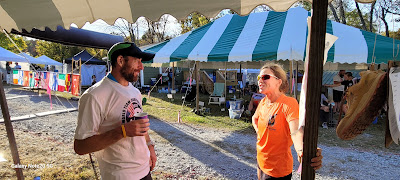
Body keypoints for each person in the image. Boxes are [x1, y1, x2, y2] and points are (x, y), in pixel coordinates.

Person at [74, 42, 157, 180]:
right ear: (120, 60)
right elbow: (80, 146)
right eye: (137, 61)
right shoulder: (94, 95)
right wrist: (122, 131)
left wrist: (150, 147)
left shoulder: (135, 92)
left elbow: (140, 127)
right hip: (119, 175)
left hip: (144, 170)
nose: (141, 67)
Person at [252, 62, 322, 180]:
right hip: (261, 161)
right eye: (259, 77)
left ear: (279, 82)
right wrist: (260, 133)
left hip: (278, 169)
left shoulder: (288, 103)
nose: (260, 80)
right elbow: (255, 118)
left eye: (265, 77)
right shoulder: (264, 101)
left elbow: (295, 131)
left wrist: (301, 151)